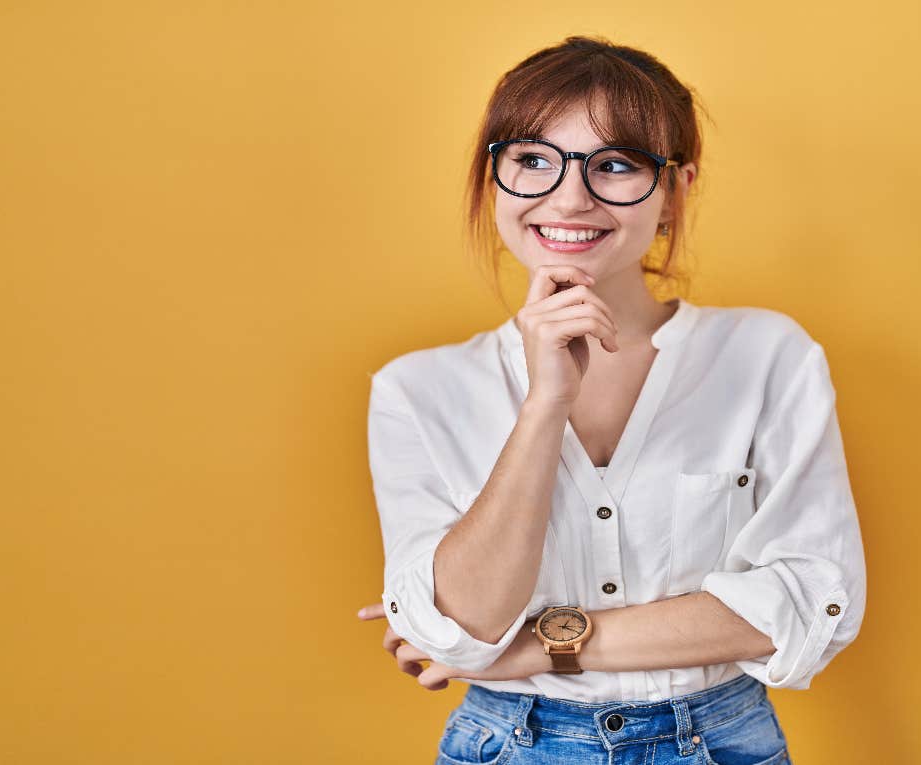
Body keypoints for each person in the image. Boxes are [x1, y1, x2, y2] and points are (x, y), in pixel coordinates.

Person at [356, 35, 866, 765]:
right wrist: (545, 403)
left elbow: (811, 595)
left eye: (616, 165)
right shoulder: (417, 389)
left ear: (676, 189)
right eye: (532, 159)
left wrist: (531, 648)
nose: (568, 198)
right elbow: (460, 626)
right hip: (508, 745)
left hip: (719, 743)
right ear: (494, 177)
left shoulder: (767, 356)